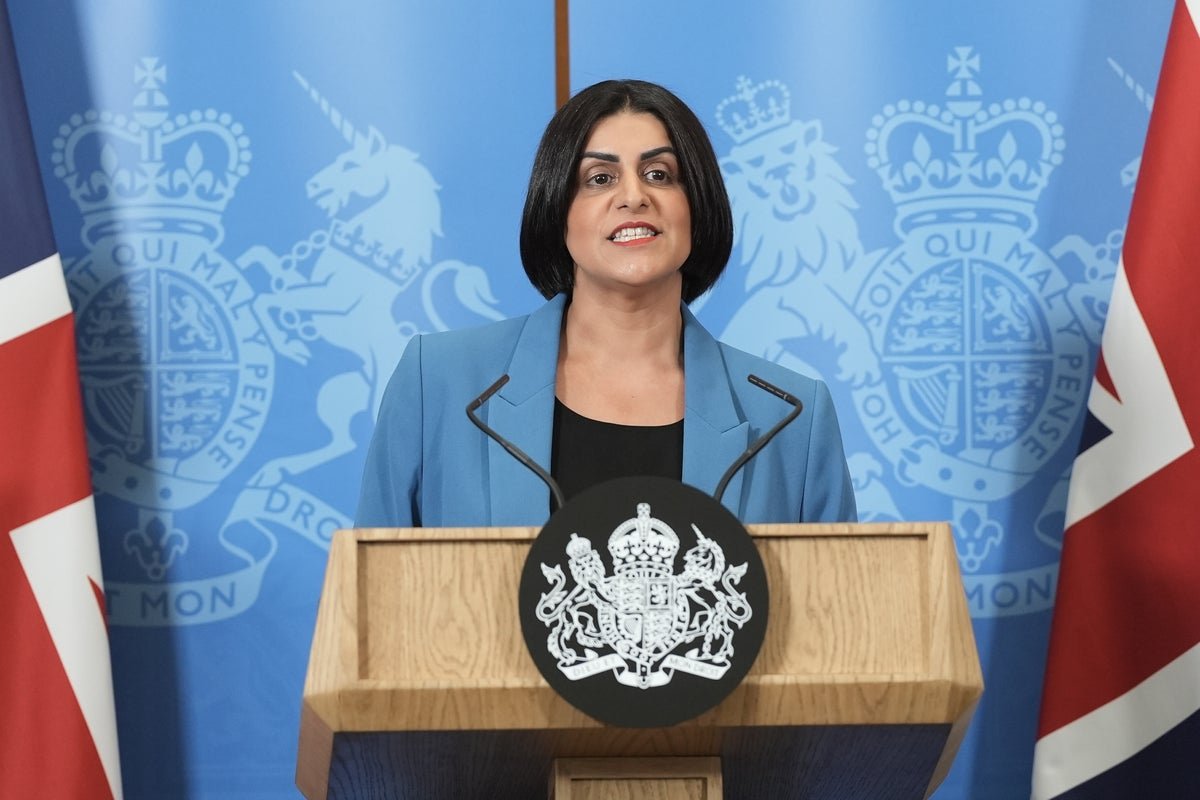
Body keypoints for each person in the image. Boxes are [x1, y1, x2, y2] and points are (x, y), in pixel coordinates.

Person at [355, 79, 856, 527]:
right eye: (600, 178)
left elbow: (837, 601)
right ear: (557, 210)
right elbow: (371, 590)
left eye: (659, 174)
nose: (634, 196)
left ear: (697, 206)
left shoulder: (792, 416)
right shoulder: (438, 382)